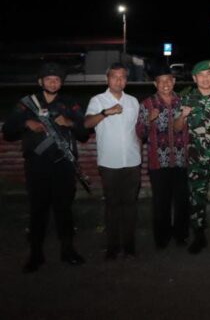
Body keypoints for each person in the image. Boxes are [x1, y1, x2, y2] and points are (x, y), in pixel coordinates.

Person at [3, 62, 90, 272]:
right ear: (40, 81)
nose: (53, 82)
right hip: (37, 166)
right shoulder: (26, 104)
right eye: (49, 79)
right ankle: (36, 254)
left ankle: (68, 250)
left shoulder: (69, 103)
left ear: (61, 83)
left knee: (64, 210)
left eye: (57, 79)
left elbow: (83, 132)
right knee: (38, 210)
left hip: (63, 166)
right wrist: (26, 124)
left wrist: (69, 123)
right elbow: (8, 130)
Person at [84, 63, 142, 259]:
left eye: (122, 77)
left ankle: (129, 245)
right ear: (107, 79)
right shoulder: (98, 100)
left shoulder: (133, 101)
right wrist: (104, 113)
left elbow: (138, 130)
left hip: (132, 161)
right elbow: (86, 123)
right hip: (109, 162)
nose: (119, 80)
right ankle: (112, 246)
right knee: (112, 205)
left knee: (131, 205)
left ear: (126, 80)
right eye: (114, 76)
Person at [174, 60, 210, 254]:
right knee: (196, 200)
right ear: (194, 78)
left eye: (209, 74)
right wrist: (183, 116)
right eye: (201, 75)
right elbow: (176, 128)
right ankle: (199, 237)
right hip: (196, 160)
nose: (206, 78)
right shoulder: (186, 99)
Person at [136, 66, 190, 249]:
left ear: (174, 81)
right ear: (155, 83)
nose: (165, 84)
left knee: (182, 201)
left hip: (181, 161)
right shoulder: (147, 104)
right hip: (158, 162)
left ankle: (181, 235)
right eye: (161, 81)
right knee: (161, 202)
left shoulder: (183, 102)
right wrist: (148, 120)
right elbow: (140, 133)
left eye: (169, 80)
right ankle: (162, 238)